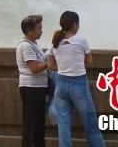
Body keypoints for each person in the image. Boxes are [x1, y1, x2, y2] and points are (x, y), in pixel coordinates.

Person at [47, 11, 105, 147]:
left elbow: (50, 66)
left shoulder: (54, 43)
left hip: (61, 85)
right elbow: (89, 61)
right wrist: (76, 64)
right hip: (78, 84)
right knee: (90, 124)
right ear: (74, 25)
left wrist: (63, 66)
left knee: (64, 125)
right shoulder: (81, 40)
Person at [16, 15, 48, 147]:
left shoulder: (35, 45)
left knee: (39, 126)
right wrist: (49, 63)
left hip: (38, 88)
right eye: (39, 28)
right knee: (31, 126)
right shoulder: (25, 46)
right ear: (30, 30)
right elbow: (34, 68)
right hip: (31, 88)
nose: (41, 31)